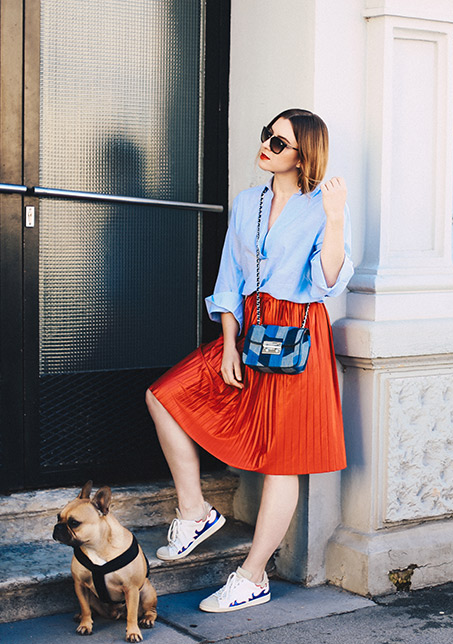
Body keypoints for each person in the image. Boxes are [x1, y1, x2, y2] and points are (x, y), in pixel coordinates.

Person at [145, 108, 352, 613]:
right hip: (250, 328)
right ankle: (194, 512)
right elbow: (229, 280)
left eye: (280, 143)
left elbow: (326, 282)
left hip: (297, 335)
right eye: (267, 136)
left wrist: (336, 219)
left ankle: (252, 575)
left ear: (305, 155)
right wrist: (230, 343)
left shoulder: (320, 205)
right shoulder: (247, 202)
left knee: (283, 462)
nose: (267, 147)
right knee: (165, 396)